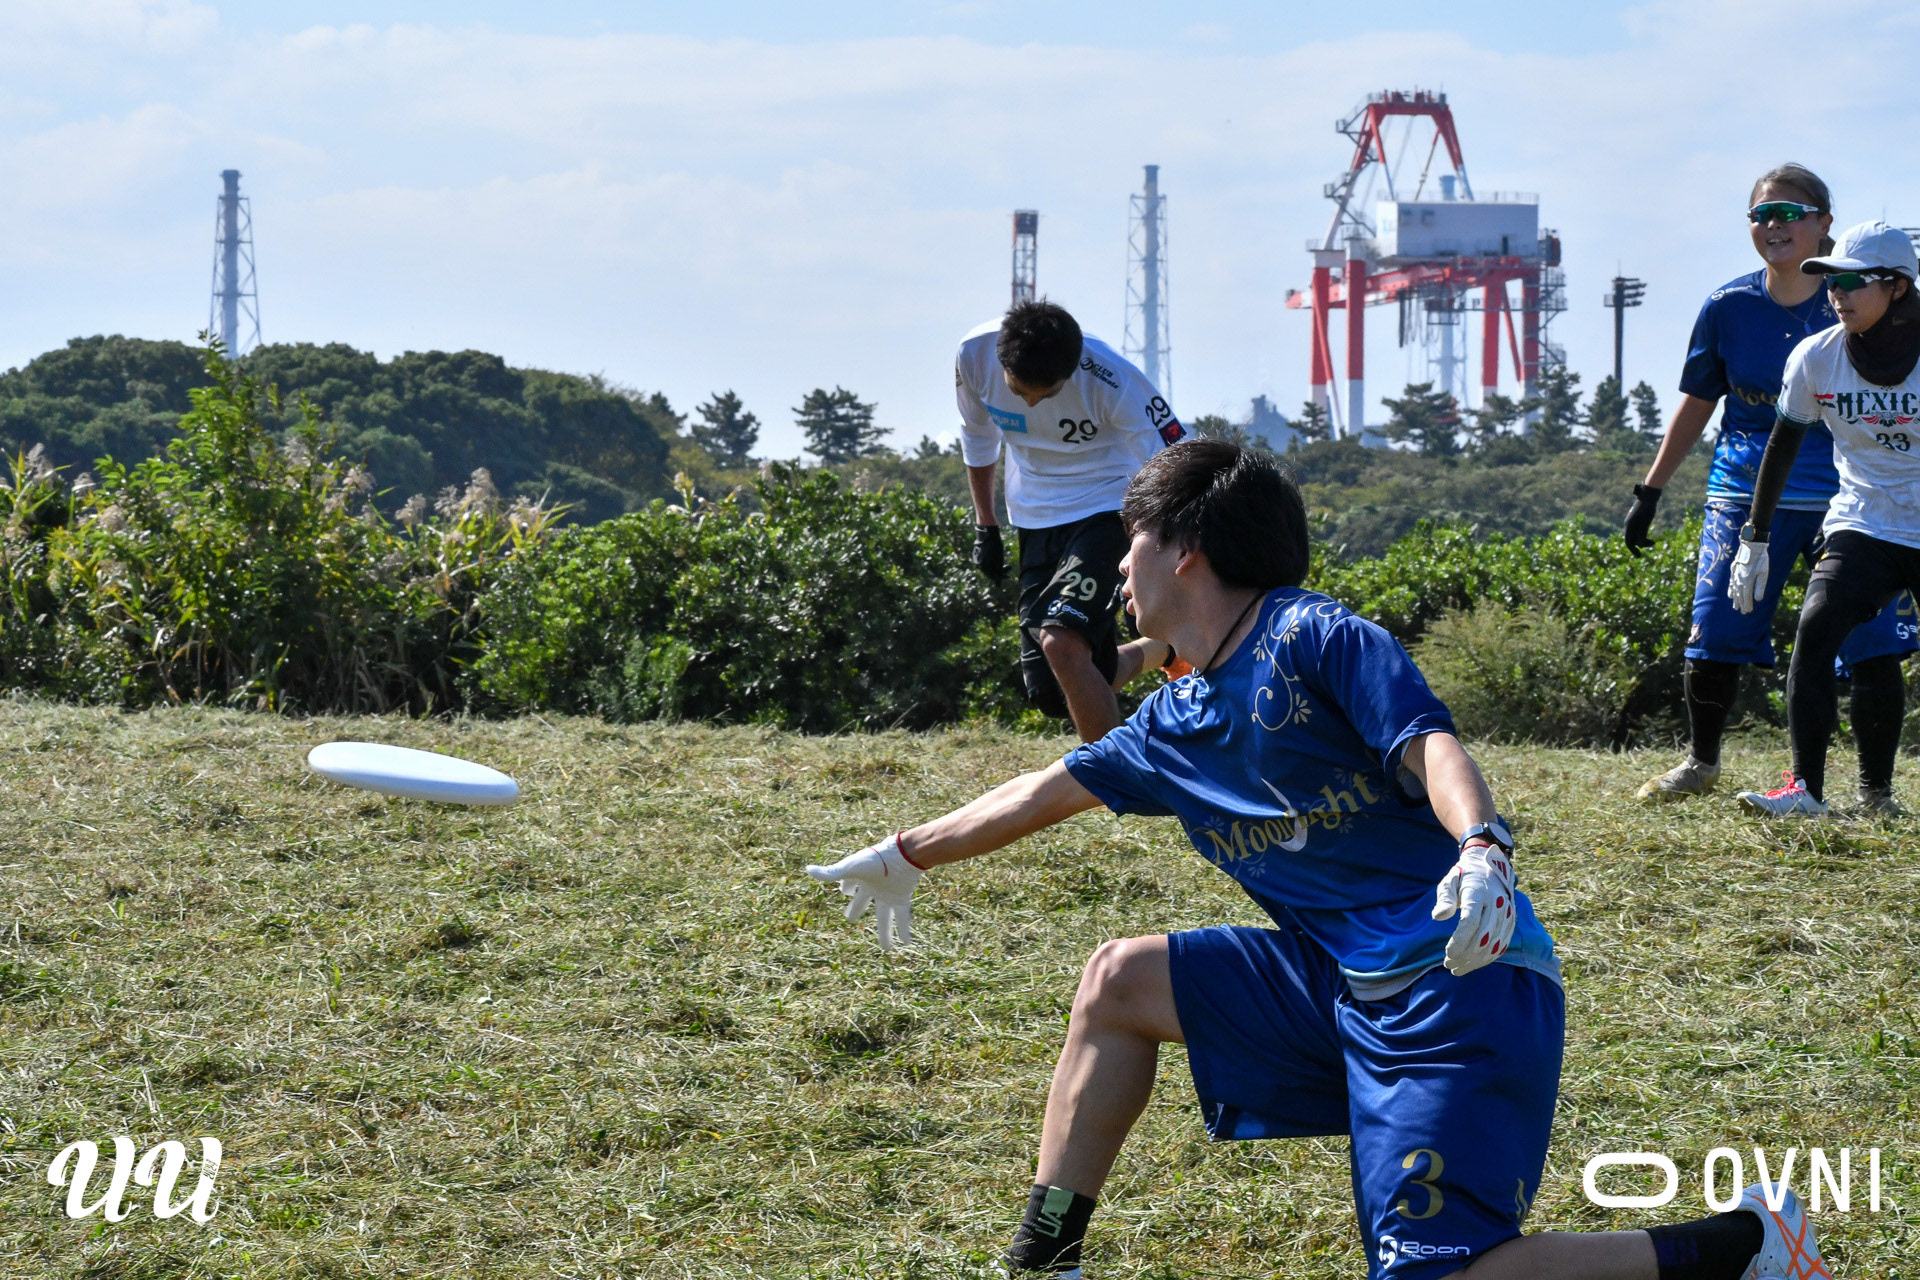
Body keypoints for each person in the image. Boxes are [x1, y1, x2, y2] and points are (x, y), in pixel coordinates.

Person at [807, 440, 1830, 1279]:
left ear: (1188, 550)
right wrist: (905, 854)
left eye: (1131, 540)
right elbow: (1049, 787)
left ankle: (1743, 1245)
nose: (1119, 567)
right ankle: (1044, 1258)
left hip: (1457, 982)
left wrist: (1483, 847)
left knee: (1437, 1275)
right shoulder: (1176, 719)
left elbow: (1431, 744)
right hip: (1339, 985)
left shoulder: (1316, 636)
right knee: (1119, 981)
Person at [1626, 164, 1916, 806]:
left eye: (1788, 212)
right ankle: (1709, 765)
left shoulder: (1870, 312)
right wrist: (1651, 491)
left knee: (1871, 643)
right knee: (1721, 628)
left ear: (1824, 223)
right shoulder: (1735, 310)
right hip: (1767, 493)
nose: (1772, 225)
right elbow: (1703, 402)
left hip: (1856, 500)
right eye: (1760, 214)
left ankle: (1875, 791)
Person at [1729, 220, 1920, 818]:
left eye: (1852, 282)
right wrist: (1755, 538)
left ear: (1897, 286)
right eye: (1831, 281)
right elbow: (1782, 443)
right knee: (1814, 635)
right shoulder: (1816, 356)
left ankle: (1878, 795)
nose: (1836, 294)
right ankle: (1805, 791)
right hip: (1864, 523)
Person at [958, 299, 1187, 742]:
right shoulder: (973, 354)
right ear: (1002, 362)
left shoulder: (1112, 377)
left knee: (1061, 642)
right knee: (1053, 690)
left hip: (1110, 505)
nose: (1031, 402)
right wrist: (986, 526)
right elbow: (978, 437)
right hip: (1034, 515)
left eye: (1047, 393)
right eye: (1020, 389)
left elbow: (1175, 459)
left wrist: (1162, 551)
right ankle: (1165, 650)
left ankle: (1115, 773)